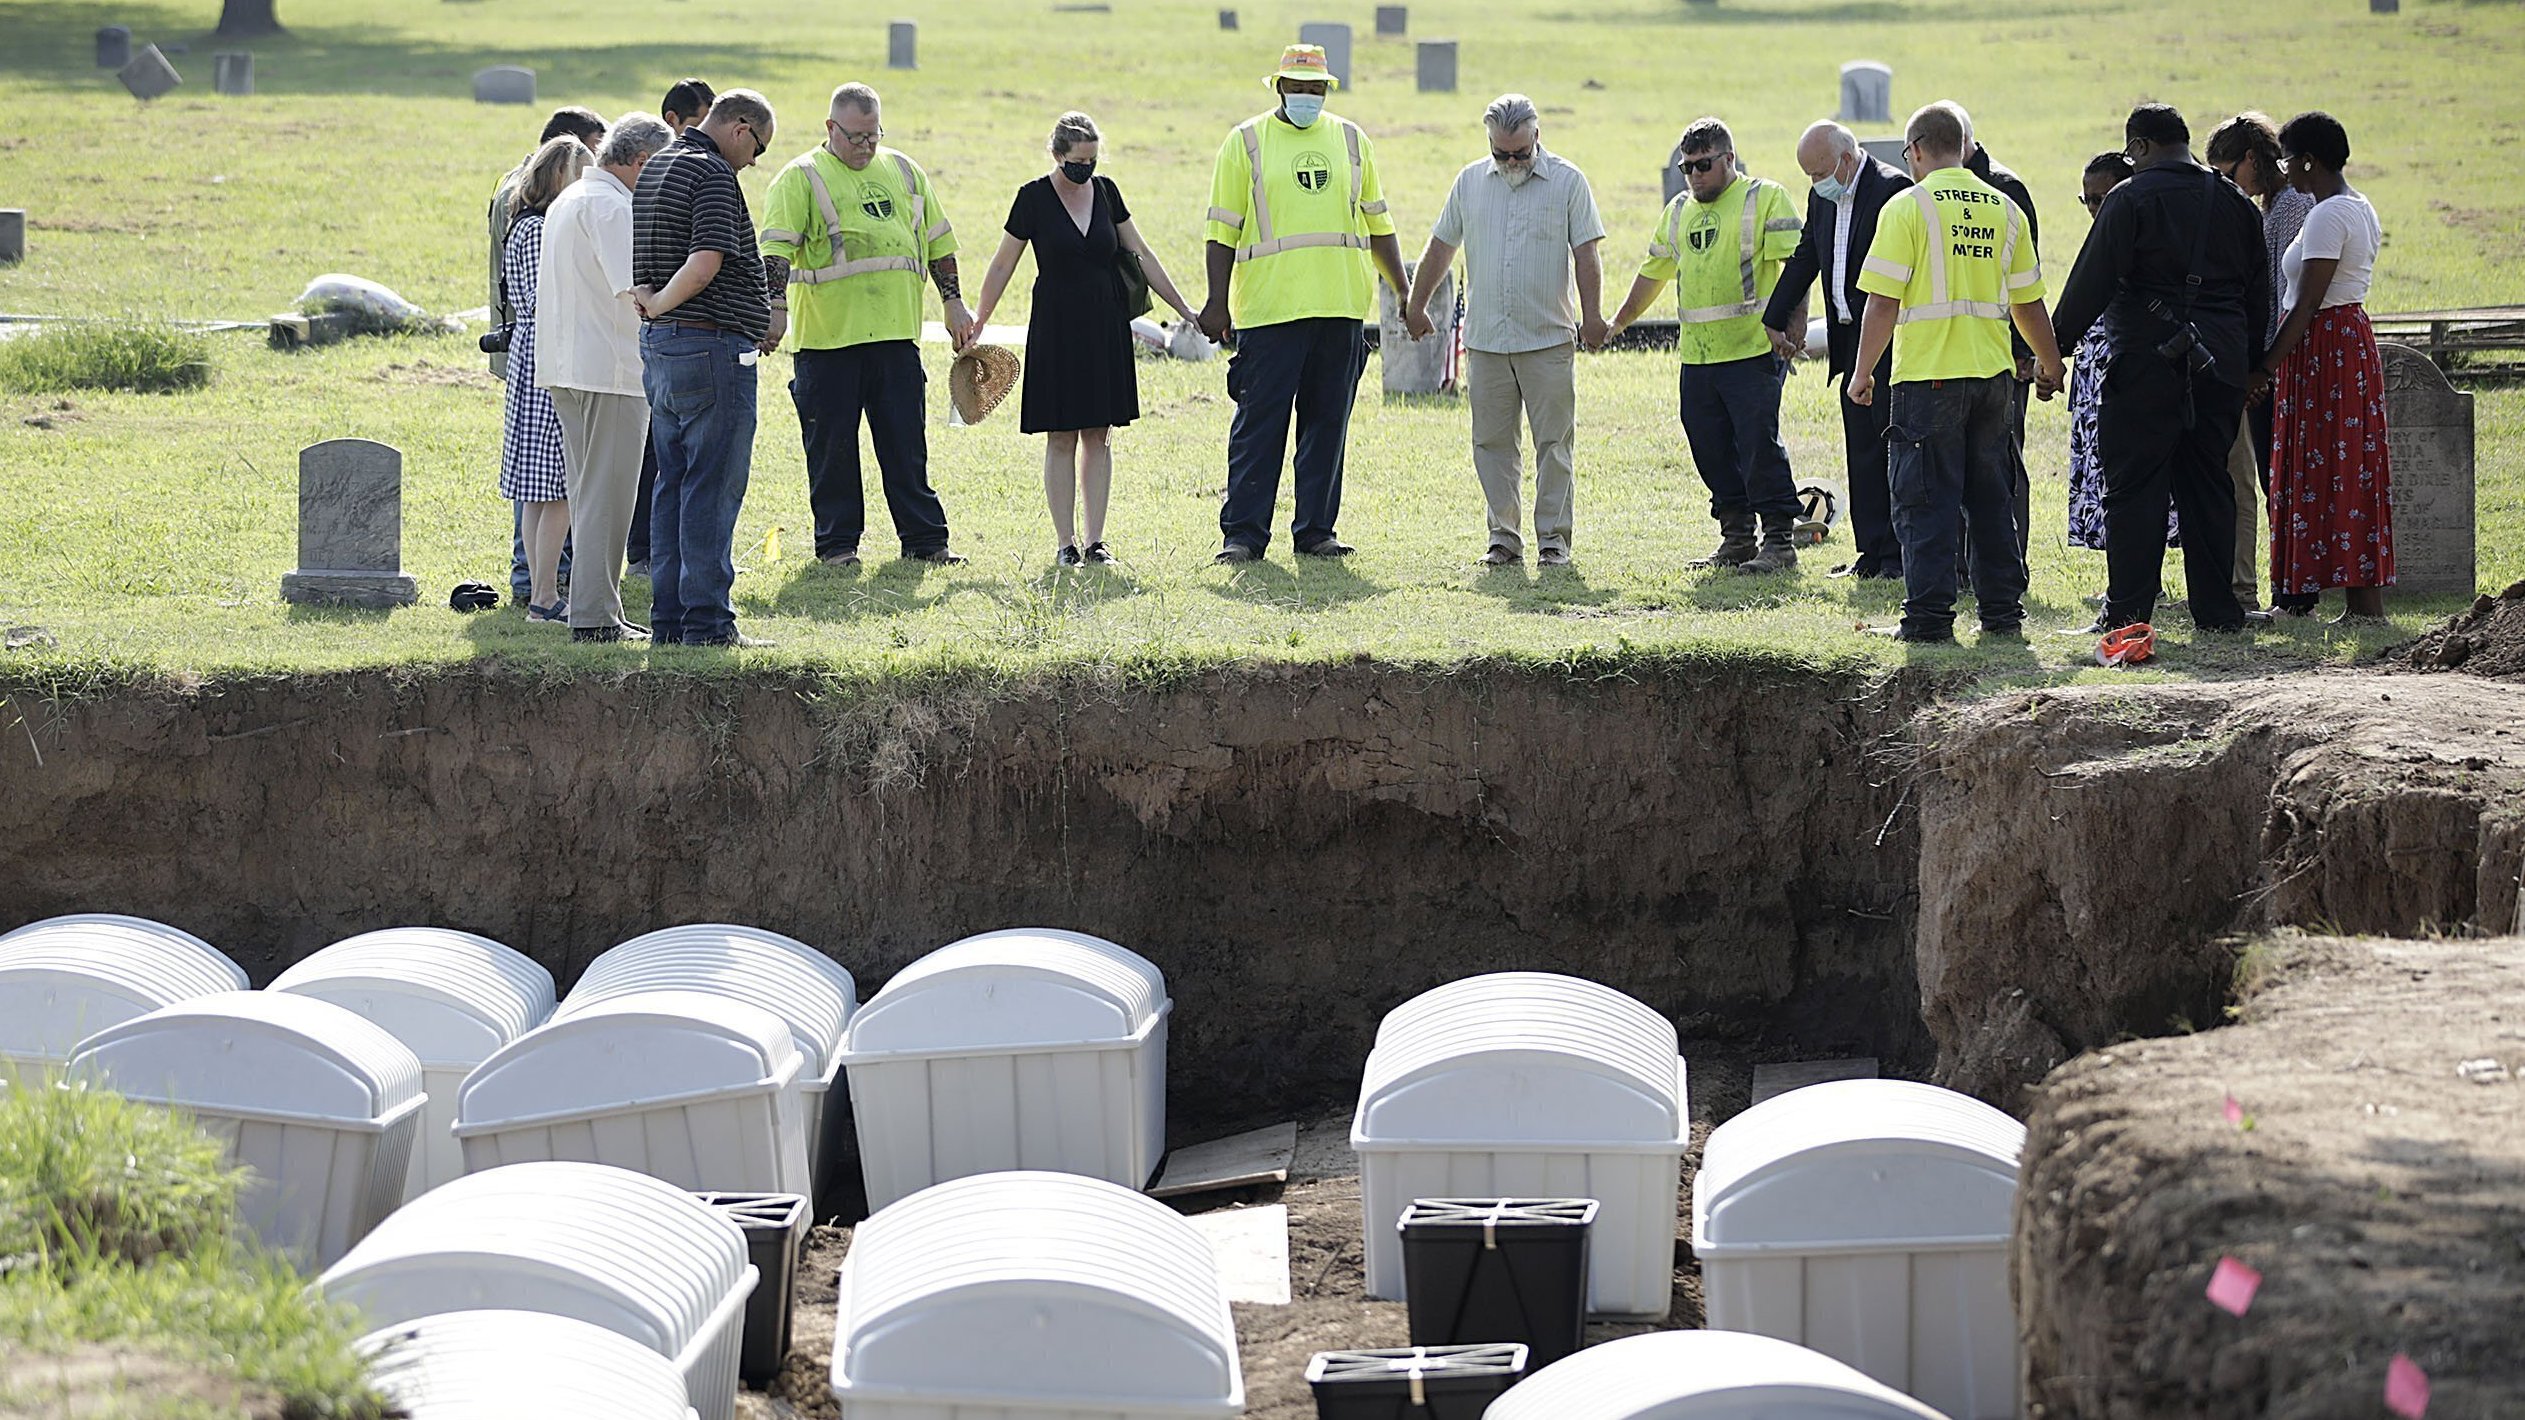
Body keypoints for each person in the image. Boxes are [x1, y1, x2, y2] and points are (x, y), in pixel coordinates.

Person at [1847, 100, 2064, 643]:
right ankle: (2002, 617)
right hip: (1993, 381)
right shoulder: (2003, 207)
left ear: (1916, 150)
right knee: (1992, 502)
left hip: (1928, 380)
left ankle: (1928, 620)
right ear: (1965, 147)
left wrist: (1862, 372)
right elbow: (2029, 304)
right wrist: (2050, 362)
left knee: (1925, 502)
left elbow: (1882, 302)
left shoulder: (1907, 208)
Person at [2053, 103, 2269, 636]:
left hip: (2145, 365)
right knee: (2209, 487)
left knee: (2134, 489)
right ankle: (2219, 613)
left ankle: (2128, 613)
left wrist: (2049, 348)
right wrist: (2252, 368)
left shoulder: (2128, 198)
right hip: (2219, 364)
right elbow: (2257, 295)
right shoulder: (2237, 203)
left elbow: (2091, 283)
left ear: (2141, 148)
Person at [1198, 43, 1409, 563]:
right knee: (1259, 426)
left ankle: (1316, 531)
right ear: (1279, 88)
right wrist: (1216, 302)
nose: (1308, 97)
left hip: (1340, 306)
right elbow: (1221, 230)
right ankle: (1243, 535)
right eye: (1298, 88)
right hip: (1270, 310)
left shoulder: (1352, 141)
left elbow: (1379, 224)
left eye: (1316, 89)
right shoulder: (1245, 141)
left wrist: (1404, 293)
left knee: (1326, 425)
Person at [965, 112, 1197, 566]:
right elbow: (1001, 264)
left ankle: (1096, 541)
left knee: (1099, 433)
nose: (1085, 168)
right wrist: (980, 321)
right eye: (1077, 161)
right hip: (1056, 326)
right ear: (1057, 156)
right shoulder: (1031, 198)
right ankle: (1065, 543)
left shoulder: (1107, 192)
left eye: (1092, 160)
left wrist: (1184, 309)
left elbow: (1142, 253)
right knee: (1061, 435)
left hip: (1104, 325)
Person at [760, 83, 971, 568]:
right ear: (830, 128)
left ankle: (925, 541)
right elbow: (775, 250)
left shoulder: (903, 169)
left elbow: (939, 242)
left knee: (906, 447)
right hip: (828, 341)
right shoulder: (801, 178)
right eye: (855, 137)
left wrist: (954, 302)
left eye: (873, 135)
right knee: (831, 451)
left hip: (897, 337)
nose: (865, 146)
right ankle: (838, 547)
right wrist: (775, 308)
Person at [1400, 93, 1607, 567]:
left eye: (1520, 152)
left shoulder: (1569, 182)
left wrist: (1593, 317)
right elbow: (1440, 247)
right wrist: (1415, 304)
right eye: (1502, 153)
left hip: (1547, 339)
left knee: (1553, 444)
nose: (1512, 161)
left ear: (1537, 136)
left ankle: (1553, 541)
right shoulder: (1470, 182)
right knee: (1492, 444)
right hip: (1487, 340)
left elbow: (1586, 256)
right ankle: (1504, 537)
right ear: (1489, 142)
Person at [1610, 116, 1805, 573]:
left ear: (1728, 159)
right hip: (1697, 358)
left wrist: (1793, 324)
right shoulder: (1678, 210)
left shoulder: (1764, 197)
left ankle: (1779, 541)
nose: (1695, 175)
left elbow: (1796, 266)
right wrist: (1617, 323)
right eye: (1687, 167)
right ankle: (1736, 537)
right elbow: (1653, 273)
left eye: (1704, 165)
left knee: (1759, 447)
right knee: (1710, 448)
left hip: (1752, 353)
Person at [631, 89, 781, 649]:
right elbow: (705, 262)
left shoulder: (658, 164)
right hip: (709, 348)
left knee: (672, 484)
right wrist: (664, 302)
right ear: (740, 128)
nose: (753, 161)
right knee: (711, 489)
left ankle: (668, 622)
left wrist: (654, 310)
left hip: (663, 351)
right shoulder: (713, 173)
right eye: (758, 148)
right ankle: (708, 624)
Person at [2252, 110, 2392, 623]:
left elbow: (2306, 302)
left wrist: (2264, 368)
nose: (2284, 170)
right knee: (2346, 467)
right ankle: (2358, 603)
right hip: (2338, 342)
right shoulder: (2356, 206)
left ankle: (2335, 599)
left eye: (2288, 159)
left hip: (2324, 346)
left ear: (2308, 161)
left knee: (2328, 466)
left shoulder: (2329, 215)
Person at [538, 113, 673, 644]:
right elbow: (637, 292)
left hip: (569, 366)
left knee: (589, 489)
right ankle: (595, 615)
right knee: (607, 496)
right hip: (610, 369)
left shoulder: (570, 199)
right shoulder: (612, 206)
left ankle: (596, 609)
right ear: (641, 161)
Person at [1762, 120, 1911, 580]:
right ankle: (1871, 553)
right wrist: (1775, 316)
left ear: (1845, 160)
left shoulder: (1892, 190)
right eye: (1807, 175)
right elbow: (1807, 255)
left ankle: (1898, 557)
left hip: (1888, 340)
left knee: (1892, 450)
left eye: (1817, 172)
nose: (1813, 183)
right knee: (1861, 450)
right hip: (1848, 341)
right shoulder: (1823, 197)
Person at [489, 106, 604, 604]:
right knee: (556, 488)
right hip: (548, 358)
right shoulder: (541, 229)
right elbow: (550, 297)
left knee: (538, 491)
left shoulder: (522, 224)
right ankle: (543, 596)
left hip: (530, 357)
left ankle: (539, 595)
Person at [2207, 110, 2317, 612]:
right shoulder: (2269, 206)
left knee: (2283, 478)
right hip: (2270, 360)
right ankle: (2288, 588)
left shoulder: (2291, 207)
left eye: (2231, 172)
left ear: (2253, 158)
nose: (2231, 184)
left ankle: (2296, 591)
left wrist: (2263, 368)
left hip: (2282, 360)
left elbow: (2284, 296)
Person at [2063, 151, 2177, 580]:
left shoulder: (2140, 237)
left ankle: (2140, 581)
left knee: (2135, 488)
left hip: (2130, 376)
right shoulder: (2102, 235)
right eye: (2087, 200)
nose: (2095, 208)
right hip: (2095, 381)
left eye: (2102, 197)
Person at [1955, 106, 2040, 571]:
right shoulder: (1935, 190)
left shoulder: (2004, 190)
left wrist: (2026, 352)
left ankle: (2009, 562)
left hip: (2001, 356)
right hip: (1954, 354)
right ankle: (1967, 566)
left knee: (2002, 463)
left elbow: (2026, 277)